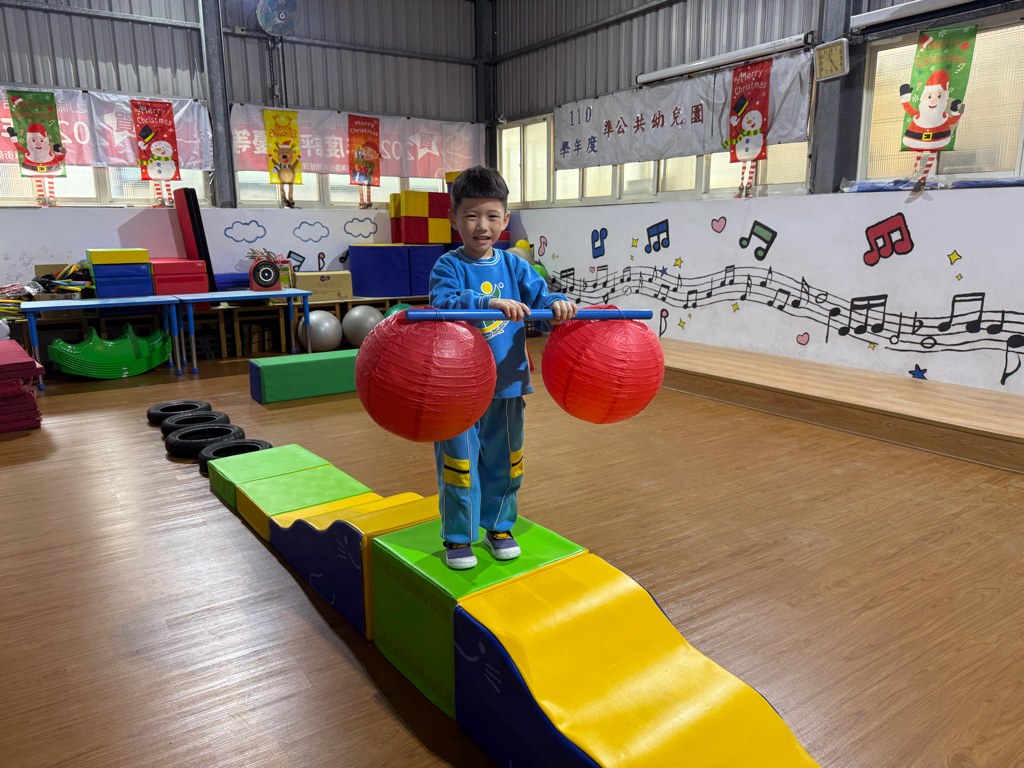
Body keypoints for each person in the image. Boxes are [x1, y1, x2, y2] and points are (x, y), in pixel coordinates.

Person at [429, 166, 577, 569]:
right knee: (459, 465)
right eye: (471, 215)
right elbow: (443, 302)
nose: (482, 226)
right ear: (454, 218)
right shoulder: (448, 266)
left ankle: (499, 526)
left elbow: (544, 299)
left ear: (505, 219)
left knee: (506, 461)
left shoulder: (515, 266)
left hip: (508, 384)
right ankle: (458, 536)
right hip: (459, 389)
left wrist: (558, 305)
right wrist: (488, 303)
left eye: (492, 216)